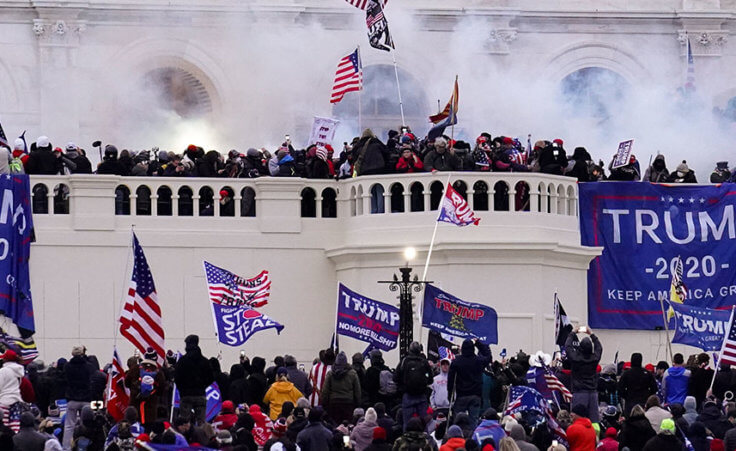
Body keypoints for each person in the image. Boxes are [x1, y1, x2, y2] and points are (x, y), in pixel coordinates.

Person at [565, 327, 602, 422]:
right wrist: (591, 333)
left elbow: (568, 347)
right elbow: (599, 347)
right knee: (594, 421)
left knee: (577, 420)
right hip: (593, 392)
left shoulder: (575, 358)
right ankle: (595, 436)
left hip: (579, 392)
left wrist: (573, 332)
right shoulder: (595, 358)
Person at [175, 335, 214, 424]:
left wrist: (182, 389)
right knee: (201, 422)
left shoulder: (182, 361)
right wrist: (202, 385)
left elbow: (177, 378)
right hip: (200, 394)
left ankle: (186, 437)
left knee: (185, 422)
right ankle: (201, 437)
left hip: (186, 395)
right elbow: (211, 378)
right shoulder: (204, 361)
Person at [63, 345, 95, 449]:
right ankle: (84, 447)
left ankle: (67, 447)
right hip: (86, 399)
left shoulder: (67, 366)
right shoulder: (88, 366)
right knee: (85, 425)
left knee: (69, 426)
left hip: (72, 398)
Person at [395, 342, 433, 430]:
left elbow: (395, 377)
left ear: (409, 350)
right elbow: (430, 379)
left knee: (407, 423)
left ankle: (406, 441)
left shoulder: (404, 361)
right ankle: (424, 441)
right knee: (423, 423)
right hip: (421, 396)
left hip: (408, 395)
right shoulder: (424, 362)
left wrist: (402, 386)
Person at [320, 351, 361, 424]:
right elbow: (357, 392)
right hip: (348, 404)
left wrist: (324, 404)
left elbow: (325, 391)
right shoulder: (353, 373)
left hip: (333, 404)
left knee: (334, 425)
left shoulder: (330, 373)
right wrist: (358, 404)